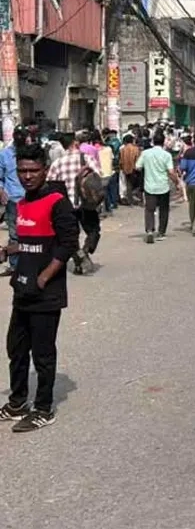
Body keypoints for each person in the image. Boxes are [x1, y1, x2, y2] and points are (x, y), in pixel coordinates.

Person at [0, 143, 80, 432]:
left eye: (33, 170)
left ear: (45, 170)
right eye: (22, 170)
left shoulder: (57, 200)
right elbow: (31, 240)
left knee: (42, 353)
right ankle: (18, 401)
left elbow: (69, 243)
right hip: (22, 287)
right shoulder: (23, 202)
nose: (27, 176)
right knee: (16, 348)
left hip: (46, 292)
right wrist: (9, 250)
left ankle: (44, 409)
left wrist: (45, 277)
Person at [46, 133, 98, 275]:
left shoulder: (57, 163)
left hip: (65, 205)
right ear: (75, 142)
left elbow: (50, 183)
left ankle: (78, 260)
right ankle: (85, 251)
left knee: (71, 236)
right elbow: (98, 176)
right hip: (86, 203)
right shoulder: (86, 159)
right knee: (93, 231)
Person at [138, 132, 178, 244]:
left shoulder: (145, 153)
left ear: (152, 141)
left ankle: (150, 230)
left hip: (149, 186)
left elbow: (138, 166)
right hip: (163, 186)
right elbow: (171, 171)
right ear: (164, 141)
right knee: (164, 210)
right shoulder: (167, 155)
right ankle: (161, 232)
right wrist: (177, 182)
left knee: (149, 209)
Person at [0, 128, 28, 274]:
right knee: (14, 234)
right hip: (13, 199)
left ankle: (31, 262)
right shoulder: (4, 155)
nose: (20, 138)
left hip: (30, 199)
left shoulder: (29, 153)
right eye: (18, 135)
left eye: (22, 135)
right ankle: (14, 265)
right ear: (14, 137)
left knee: (30, 231)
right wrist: (1, 191)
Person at [119, 134, 142, 206]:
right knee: (137, 184)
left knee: (128, 184)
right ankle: (137, 199)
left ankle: (130, 200)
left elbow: (121, 160)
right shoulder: (136, 148)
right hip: (135, 168)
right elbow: (138, 159)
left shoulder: (122, 149)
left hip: (126, 169)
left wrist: (122, 167)